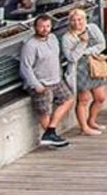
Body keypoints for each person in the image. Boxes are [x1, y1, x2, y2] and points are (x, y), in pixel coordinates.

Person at [18, 14, 73, 148]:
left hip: (56, 79)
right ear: (35, 27)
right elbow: (25, 67)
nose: (45, 29)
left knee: (69, 99)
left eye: (47, 26)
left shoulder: (53, 38)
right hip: (41, 83)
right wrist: (35, 84)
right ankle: (51, 138)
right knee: (45, 111)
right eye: (41, 26)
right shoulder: (30, 45)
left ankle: (50, 131)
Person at [60, 7, 107, 136]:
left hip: (95, 65)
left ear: (84, 19)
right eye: (74, 20)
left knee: (100, 97)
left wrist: (86, 52)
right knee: (83, 100)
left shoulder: (92, 28)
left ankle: (91, 120)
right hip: (79, 70)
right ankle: (84, 127)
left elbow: (102, 44)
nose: (77, 23)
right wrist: (82, 43)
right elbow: (72, 57)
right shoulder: (67, 38)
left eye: (80, 19)